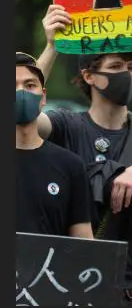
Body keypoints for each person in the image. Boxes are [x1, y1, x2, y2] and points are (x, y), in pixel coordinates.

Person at [33, 4, 132, 305]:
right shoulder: (66, 125)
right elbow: (21, 112)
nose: (128, 75)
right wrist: (52, 46)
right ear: (89, 76)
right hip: (73, 287)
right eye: (117, 66)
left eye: (131, 67)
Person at [16, 52, 93, 239]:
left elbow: (84, 245)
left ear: (43, 97)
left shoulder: (71, 166)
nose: (21, 92)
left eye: (30, 85)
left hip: (49, 268)